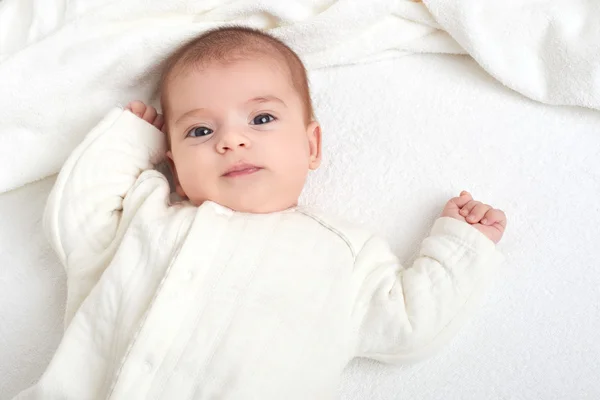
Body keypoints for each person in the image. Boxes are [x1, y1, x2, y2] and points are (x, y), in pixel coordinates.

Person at [14, 26, 506, 399]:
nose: (232, 139)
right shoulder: (145, 215)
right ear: (174, 164)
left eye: (262, 118)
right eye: (199, 132)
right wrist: (128, 138)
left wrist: (459, 246)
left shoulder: (342, 254)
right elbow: (78, 211)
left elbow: (408, 323)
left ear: (311, 146)